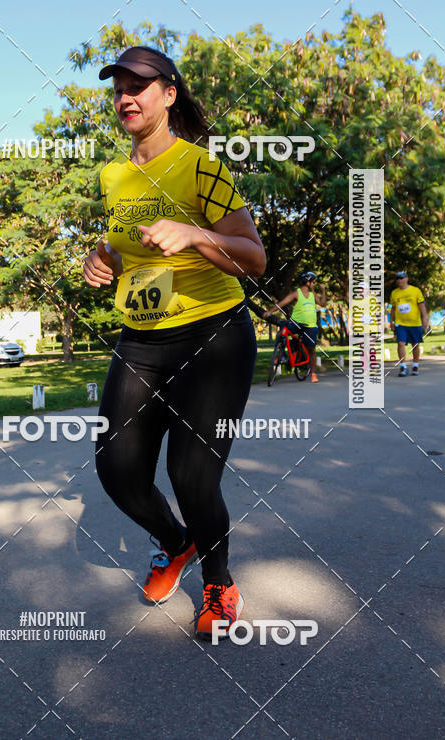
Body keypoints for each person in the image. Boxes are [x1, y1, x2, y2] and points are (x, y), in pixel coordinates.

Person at [83, 45, 266, 641]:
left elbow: (253, 257)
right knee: (117, 470)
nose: (126, 96)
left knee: (192, 476)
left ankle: (218, 581)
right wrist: (101, 258)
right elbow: (123, 245)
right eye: (119, 87)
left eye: (141, 85)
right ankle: (176, 542)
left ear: (169, 95)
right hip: (142, 338)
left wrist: (192, 233)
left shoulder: (200, 167)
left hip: (213, 334)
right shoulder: (114, 174)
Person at [264, 271, 326, 383]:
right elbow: (282, 303)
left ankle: (313, 374)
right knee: (281, 333)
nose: (314, 284)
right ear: (307, 282)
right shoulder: (296, 294)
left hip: (310, 326)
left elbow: (323, 304)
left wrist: (323, 290)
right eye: (313, 282)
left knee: (311, 350)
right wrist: (269, 311)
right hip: (296, 323)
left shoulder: (313, 294)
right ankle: (281, 355)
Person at [389, 270, 429, 375]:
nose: (399, 280)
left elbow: (421, 305)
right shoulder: (394, 293)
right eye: (397, 278)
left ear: (407, 278)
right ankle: (403, 366)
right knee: (400, 343)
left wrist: (425, 317)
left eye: (401, 278)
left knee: (415, 345)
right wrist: (391, 321)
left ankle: (415, 365)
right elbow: (393, 308)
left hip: (415, 323)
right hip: (400, 323)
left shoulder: (415, 291)